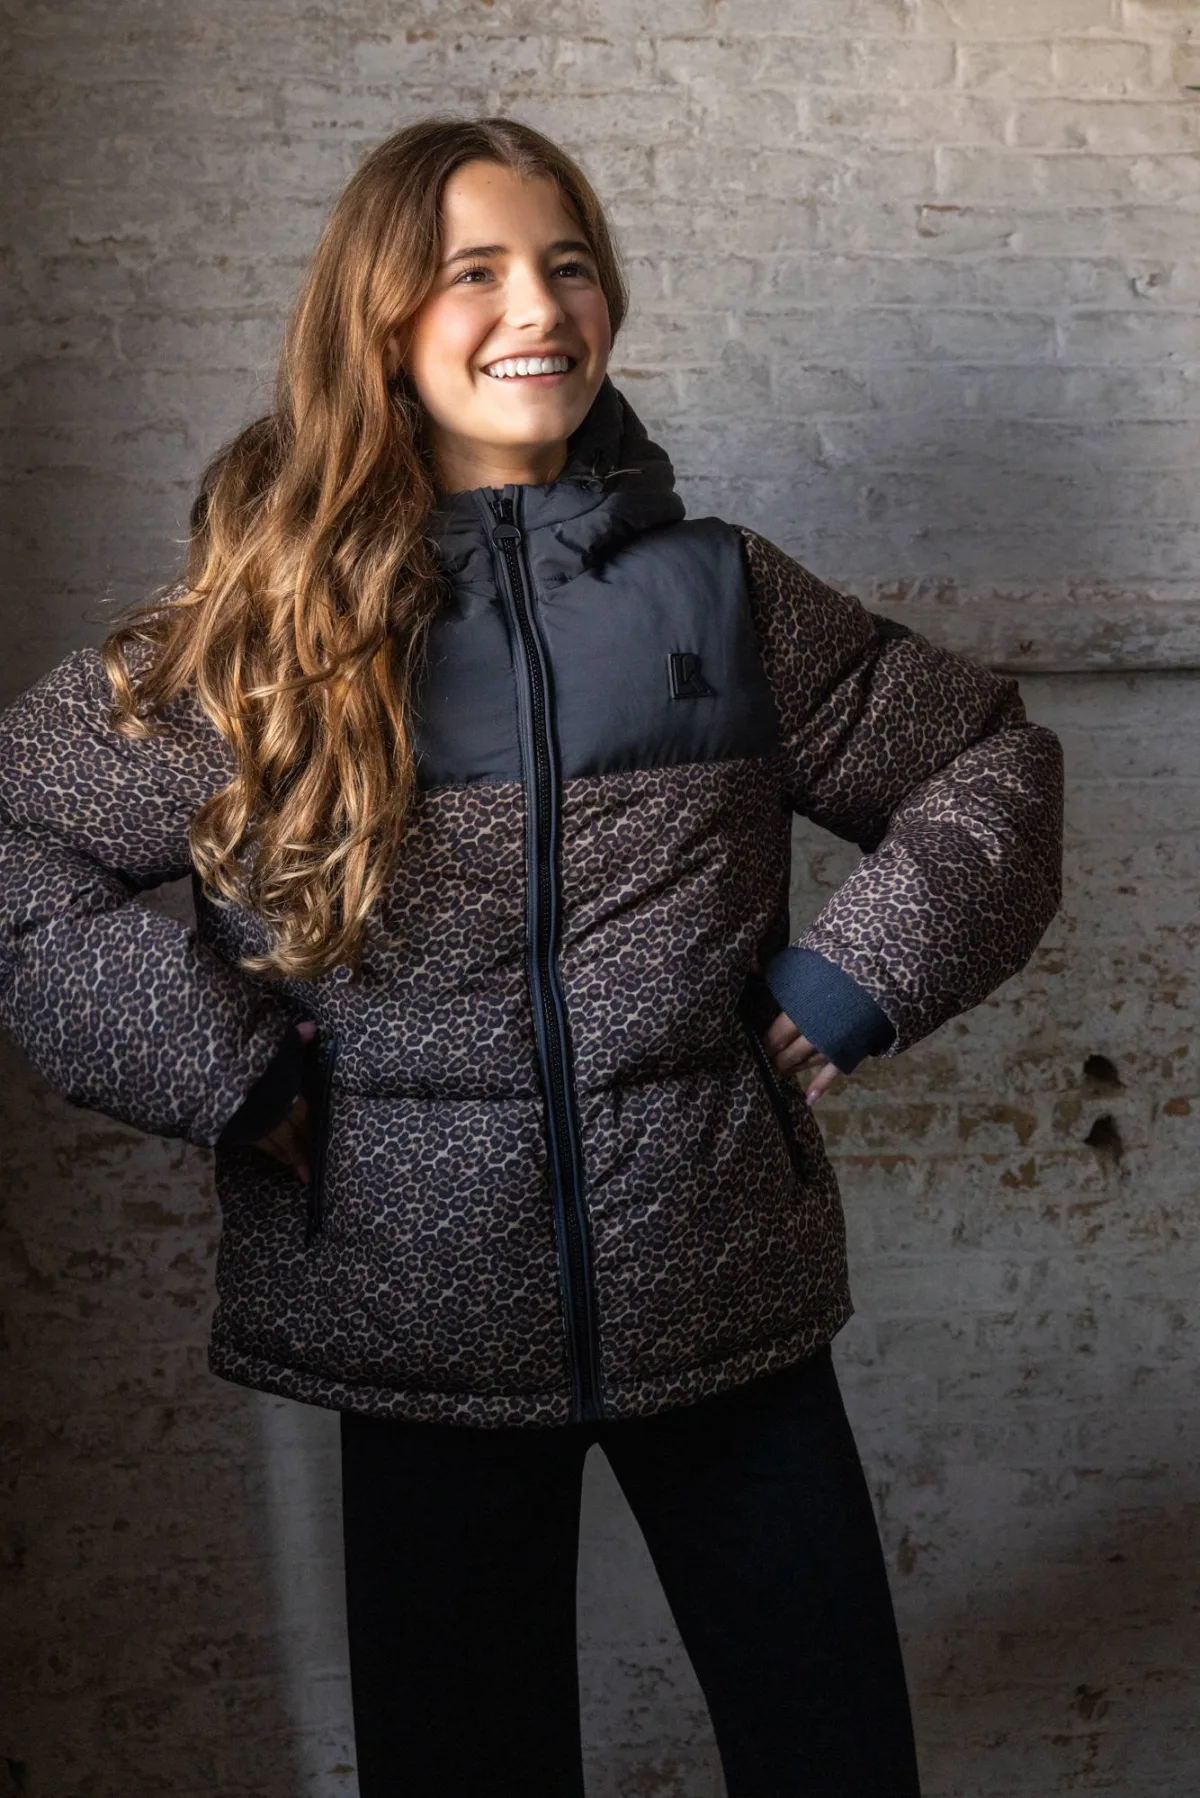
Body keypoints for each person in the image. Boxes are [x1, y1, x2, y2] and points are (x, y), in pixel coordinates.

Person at [0, 115, 1064, 1797]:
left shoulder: (722, 595)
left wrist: (856, 975)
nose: (538, 308)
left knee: (837, 1756)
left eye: (569, 266)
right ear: (379, 322)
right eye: (475, 271)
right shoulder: (264, 634)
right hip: (413, 1316)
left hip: (725, 1288)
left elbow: (985, 761)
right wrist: (220, 1067)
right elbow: (20, 840)